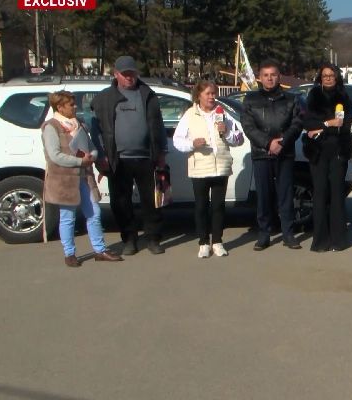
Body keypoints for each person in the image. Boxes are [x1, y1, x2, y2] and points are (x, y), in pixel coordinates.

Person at [90, 55, 168, 256]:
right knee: (121, 202)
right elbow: (95, 130)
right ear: (116, 74)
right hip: (117, 160)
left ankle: (153, 239)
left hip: (147, 158)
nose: (129, 77)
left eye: (132, 73)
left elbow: (158, 125)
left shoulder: (148, 95)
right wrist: (101, 156)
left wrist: (161, 152)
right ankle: (129, 239)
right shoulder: (104, 98)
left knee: (152, 202)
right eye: (125, 74)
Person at [41, 91, 123, 267]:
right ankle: (69, 253)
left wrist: (91, 156)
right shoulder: (51, 127)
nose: (75, 106)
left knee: (94, 213)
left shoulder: (79, 124)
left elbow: (92, 147)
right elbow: (55, 156)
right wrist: (80, 161)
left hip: (84, 177)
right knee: (68, 217)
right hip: (64, 180)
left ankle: (100, 250)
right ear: (60, 107)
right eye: (71, 104)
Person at [173, 81, 244, 258]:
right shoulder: (190, 115)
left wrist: (227, 132)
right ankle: (203, 242)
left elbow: (239, 139)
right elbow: (177, 141)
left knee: (218, 206)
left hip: (221, 167)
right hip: (200, 168)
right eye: (208, 94)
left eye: (214, 93)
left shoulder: (222, 113)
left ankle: (218, 242)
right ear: (199, 96)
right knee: (201, 206)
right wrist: (192, 144)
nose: (212, 97)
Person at [241, 59, 303, 251]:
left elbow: (297, 124)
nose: (269, 78)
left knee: (286, 195)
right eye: (266, 75)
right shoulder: (250, 99)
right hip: (262, 153)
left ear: (279, 77)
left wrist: (282, 142)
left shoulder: (291, 99)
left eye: (273, 75)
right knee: (264, 196)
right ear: (260, 78)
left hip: (285, 153)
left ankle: (288, 234)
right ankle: (264, 234)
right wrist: (268, 143)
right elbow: (248, 126)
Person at [302, 63, 352, 252]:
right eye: (325, 75)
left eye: (331, 75)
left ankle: (338, 240)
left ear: (337, 77)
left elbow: (345, 125)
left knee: (337, 194)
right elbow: (308, 123)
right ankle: (320, 241)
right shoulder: (314, 95)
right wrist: (328, 123)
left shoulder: (344, 96)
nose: (328, 78)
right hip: (318, 151)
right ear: (320, 78)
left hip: (339, 150)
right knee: (320, 194)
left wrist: (322, 127)